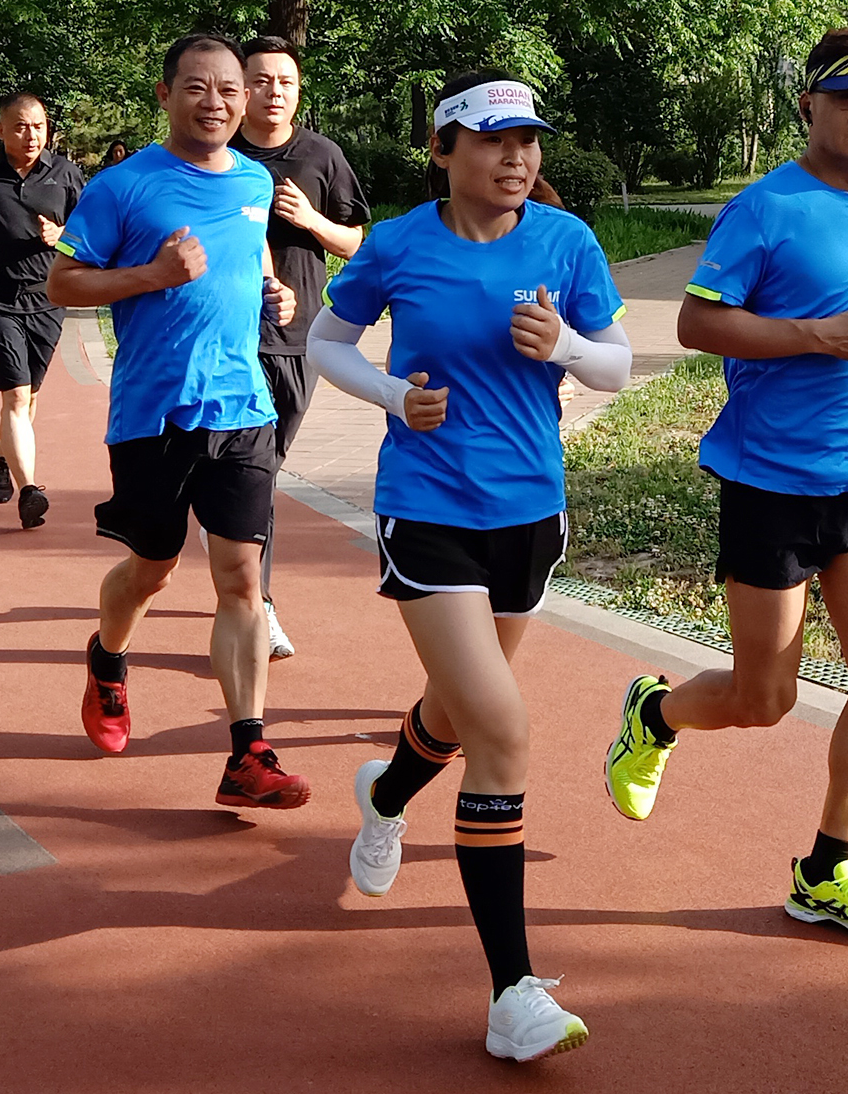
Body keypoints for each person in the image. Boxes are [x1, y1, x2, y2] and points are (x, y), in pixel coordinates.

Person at [599, 27, 848, 945]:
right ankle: (656, 712)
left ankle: (826, 871)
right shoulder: (764, 208)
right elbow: (694, 325)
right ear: (810, 106)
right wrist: (814, 337)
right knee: (766, 700)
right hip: (768, 483)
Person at [311, 71, 631, 1063]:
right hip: (429, 507)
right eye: (494, 141)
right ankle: (511, 992)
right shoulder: (401, 242)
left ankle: (386, 793)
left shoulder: (565, 242)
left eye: (528, 140)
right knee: (500, 726)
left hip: (530, 511)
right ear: (445, 148)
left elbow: (618, 363)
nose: (517, 159)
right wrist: (388, 395)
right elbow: (329, 340)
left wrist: (570, 344)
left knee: (455, 710)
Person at [46, 33, 308, 809]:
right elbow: (63, 282)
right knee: (152, 570)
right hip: (152, 414)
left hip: (243, 406)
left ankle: (247, 752)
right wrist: (152, 276)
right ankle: (107, 658)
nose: (218, 103)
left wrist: (274, 292)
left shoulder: (256, 181)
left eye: (230, 90)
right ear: (165, 95)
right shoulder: (122, 187)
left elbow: (251, 253)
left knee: (241, 581)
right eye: (198, 88)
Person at [231, 36, 372, 659]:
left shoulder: (322, 155)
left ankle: (234, 560)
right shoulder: (218, 155)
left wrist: (311, 220)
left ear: (297, 90)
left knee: (267, 464)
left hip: (299, 334)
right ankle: (255, 601)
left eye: (284, 81)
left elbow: (356, 243)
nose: (273, 92)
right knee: (253, 472)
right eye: (260, 81)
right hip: (229, 334)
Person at [0, 90, 86, 530]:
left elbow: (89, 231)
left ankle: (0, 455)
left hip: (49, 297)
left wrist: (61, 233)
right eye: (21, 126)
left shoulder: (66, 174)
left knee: (31, 399)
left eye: (39, 126)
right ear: (1, 129)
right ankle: (30, 490)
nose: (31, 135)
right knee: (17, 394)